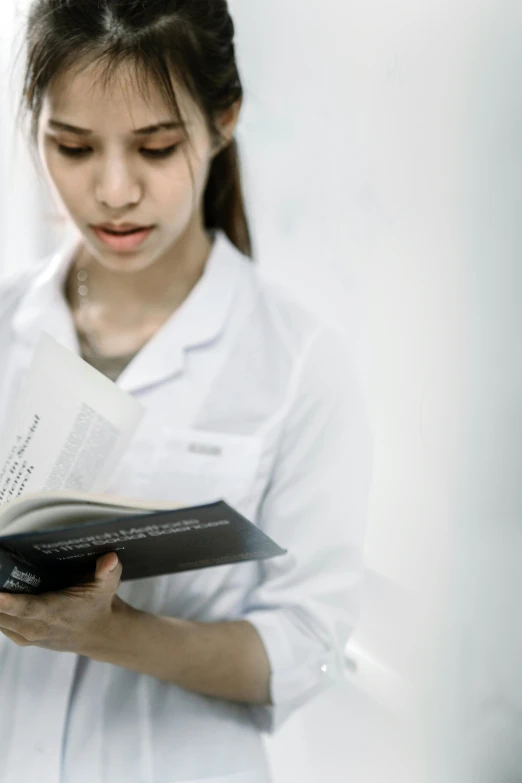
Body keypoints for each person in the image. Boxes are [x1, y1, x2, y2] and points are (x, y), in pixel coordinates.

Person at [0, 1, 374, 782]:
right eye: (71, 147)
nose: (112, 190)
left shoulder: (299, 362)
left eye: (156, 147)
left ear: (222, 120)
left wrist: (107, 631)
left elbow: (306, 643)